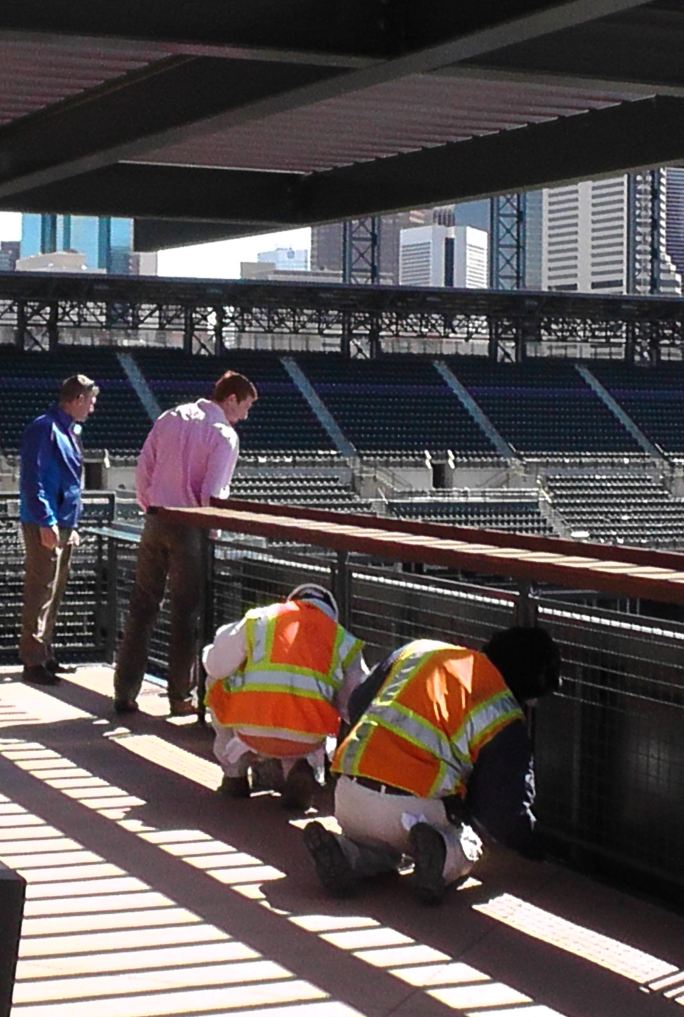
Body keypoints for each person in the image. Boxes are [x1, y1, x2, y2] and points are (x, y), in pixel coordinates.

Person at [300, 626, 562, 904]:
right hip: (416, 811)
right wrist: (536, 848)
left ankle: (346, 851)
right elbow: (502, 813)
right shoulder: (503, 710)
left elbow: (357, 704)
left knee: (377, 848)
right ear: (528, 687)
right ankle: (443, 855)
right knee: (470, 839)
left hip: (349, 795)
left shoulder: (418, 650)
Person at [111, 371, 257, 718]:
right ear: (231, 399)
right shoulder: (223, 434)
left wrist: (151, 507)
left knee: (142, 607)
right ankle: (180, 696)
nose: (246, 416)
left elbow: (143, 469)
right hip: (190, 526)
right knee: (185, 614)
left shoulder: (171, 417)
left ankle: (124, 691)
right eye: (246, 406)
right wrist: (212, 534)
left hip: (156, 518)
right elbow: (213, 495)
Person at [203, 582, 370, 810]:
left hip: (250, 732)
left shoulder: (260, 620)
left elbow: (216, 666)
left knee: (217, 681)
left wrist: (209, 653)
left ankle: (234, 776)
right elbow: (356, 706)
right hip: (307, 739)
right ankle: (303, 766)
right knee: (318, 706)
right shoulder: (343, 640)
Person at [17, 374, 98, 686]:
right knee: (41, 589)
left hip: (62, 522)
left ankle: (45, 653)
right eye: (90, 401)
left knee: (54, 590)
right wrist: (45, 520)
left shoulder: (67, 429)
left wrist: (69, 523)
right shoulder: (45, 428)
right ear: (77, 399)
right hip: (46, 522)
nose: (92, 408)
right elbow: (32, 478)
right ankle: (33, 660)